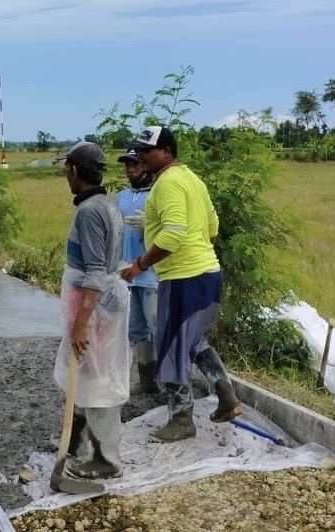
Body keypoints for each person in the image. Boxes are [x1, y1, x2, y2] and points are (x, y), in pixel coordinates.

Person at [121, 126, 242, 444]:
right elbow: (212, 224)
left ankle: (181, 419)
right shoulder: (193, 179)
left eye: (148, 151)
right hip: (207, 274)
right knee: (192, 342)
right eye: (140, 150)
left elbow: (173, 235)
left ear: (167, 152)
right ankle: (227, 396)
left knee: (171, 346)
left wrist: (140, 265)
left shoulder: (168, 183)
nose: (142, 156)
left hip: (183, 278)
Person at [52, 141, 130, 481]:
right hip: (95, 303)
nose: (65, 176)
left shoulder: (89, 211)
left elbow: (96, 271)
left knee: (97, 376)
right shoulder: (105, 205)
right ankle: (76, 444)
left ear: (73, 170)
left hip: (94, 306)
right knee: (84, 372)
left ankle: (105, 459)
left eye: (65, 169)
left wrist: (82, 323)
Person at [115, 147, 159, 395]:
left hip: (152, 275)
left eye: (137, 165)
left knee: (158, 328)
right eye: (128, 166)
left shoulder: (157, 195)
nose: (131, 170)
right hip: (128, 275)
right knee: (136, 330)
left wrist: (151, 224)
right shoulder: (121, 197)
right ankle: (147, 381)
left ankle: (174, 385)